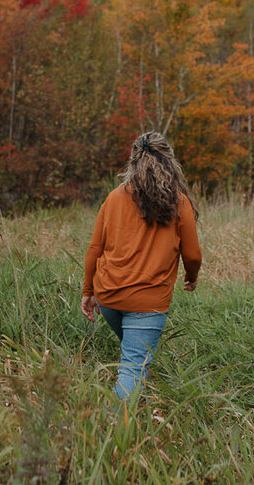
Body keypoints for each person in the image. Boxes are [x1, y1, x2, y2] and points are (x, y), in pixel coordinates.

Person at [81, 132, 201, 401]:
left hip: (108, 296)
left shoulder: (114, 197)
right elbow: (192, 255)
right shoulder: (179, 203)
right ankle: (114, 431)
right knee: (133, 365)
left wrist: (88, 290)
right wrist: (191, 277)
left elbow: (94, 250)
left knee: (134, 357)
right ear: (170, 162)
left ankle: (140, 406)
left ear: (133, 161)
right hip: (147, 303)